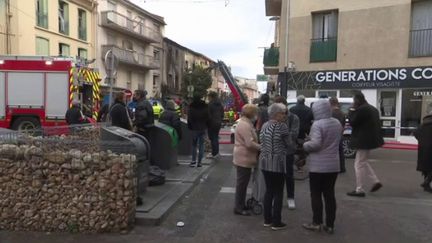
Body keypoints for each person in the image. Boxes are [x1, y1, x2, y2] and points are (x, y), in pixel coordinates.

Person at [301, 100, 343, 234]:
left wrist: (306, 144)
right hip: (333, 165)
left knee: (316, 195)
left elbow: (316, 144)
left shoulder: (318, 124)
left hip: (318, 166)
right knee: (330, 195)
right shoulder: (336, 123)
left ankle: (317, 222)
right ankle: (330, 225)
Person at [259, 103, 292, 231]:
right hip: (278, 163)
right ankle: (276, 222)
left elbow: (261, 141)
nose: (284, 115)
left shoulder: (264, 125)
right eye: (282, 113)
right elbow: (289, 144)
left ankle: (267, 220)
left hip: (265, 162)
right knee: (278, 192)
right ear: (276, 114)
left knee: (269, 191)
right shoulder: (282, 126)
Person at [347, 92, 384, 197]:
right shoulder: (372, 108)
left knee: (358, 164)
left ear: (357, 100)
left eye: (354, 100)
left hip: (363, 140)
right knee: (363, 162)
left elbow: (352, 122)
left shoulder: (362, 109)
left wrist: (351, 110)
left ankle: (359, 189)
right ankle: (375, 181)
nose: (353, 103)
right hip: (370, 140)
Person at [233, 104, 261, 216]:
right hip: (243, 158)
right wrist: (261, 147)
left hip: (245, 157)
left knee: (243, 184)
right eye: (256, 113)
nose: (257, 116)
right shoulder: (244, 125)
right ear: (251, 114)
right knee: (242, 184)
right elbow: (249, 143)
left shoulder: (246, 123)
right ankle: (239, 208)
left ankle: (240, 205)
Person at [274, 96, 299, 210]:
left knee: (289, 176)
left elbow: (294, 134)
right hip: (275, 151)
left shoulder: (294, 118)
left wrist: (280, 135)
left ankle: (290, 198)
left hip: (288, 151)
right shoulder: (273, 118)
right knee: (276, 175)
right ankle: (276, 198)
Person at [187, 95, 209, 167]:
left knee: (194, 145)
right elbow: (208, 117)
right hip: (203, 128)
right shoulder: (205, 107)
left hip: (194, 128)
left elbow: (189, 118)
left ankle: (193, 161)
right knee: (201, 145)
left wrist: (190, 126)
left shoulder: (191, 107)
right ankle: (199, 162)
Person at [414, 112, 432, 193]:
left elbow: (416, 133)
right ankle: (426, 182)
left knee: (426, 168)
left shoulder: (423, 125)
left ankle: (426, 186)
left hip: (422, 148)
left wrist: (421, 141)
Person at [329, 97, 347, 173]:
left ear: (330, 103)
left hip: (332, 135)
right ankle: (342, 168)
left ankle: (332, 168)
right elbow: (343, 125)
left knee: (332, 152)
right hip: (340, 134)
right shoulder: (342, 113)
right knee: (340, 152)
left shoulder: (331, 113)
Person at [207, 91, 224, 159]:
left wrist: (208, 122)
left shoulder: (210, 104)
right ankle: (216, 152)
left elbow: (208, 115)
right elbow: (222, 114)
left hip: (211, 123)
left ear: (211, 97)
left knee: (212, 138)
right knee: (215, 137)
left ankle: (214, 153)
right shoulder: (220, 104)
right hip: (218, 123)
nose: (208, 98)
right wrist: (220, 120)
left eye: (208, 97)